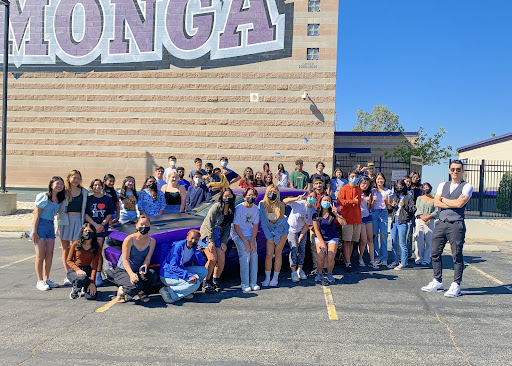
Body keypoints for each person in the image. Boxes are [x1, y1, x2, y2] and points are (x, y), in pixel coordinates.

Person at [422, 160, 473, 298]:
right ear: (449, 171)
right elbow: (436, 202)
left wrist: (444, 200)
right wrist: (450, 202)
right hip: (441, 223)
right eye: (452, 169)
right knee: (434, 252)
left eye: (458, 169)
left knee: (457, 255)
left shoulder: (467, 186)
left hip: (456, 223)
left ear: (463, 171)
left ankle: (456, 284)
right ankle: (437, 281)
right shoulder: (442, 184)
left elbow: (459, 204)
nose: (455, 172)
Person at [31, 176, 65, 291]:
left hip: (50, 226)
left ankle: (46, 278)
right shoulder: (44, 196)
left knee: (49, 254)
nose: (59, 186)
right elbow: (36, 214)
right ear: (51, 184)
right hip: (40, 226)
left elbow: (55, 213)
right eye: (57, 183)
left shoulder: (59, 199)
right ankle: (39, 280)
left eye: (61, 184)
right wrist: (34, 231)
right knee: (40, 255)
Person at [200, 188, 236, 292]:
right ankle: (205, 281)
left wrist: (224, 242)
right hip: (208, 234)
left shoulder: (231, 210)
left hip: (219, 236)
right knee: (212, 258)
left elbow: (228, 227)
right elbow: (208, 224)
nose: (227, 198)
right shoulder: (216, 207)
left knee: (221, 260)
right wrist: (210, 241)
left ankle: (215, 280)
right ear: (221, 197)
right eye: (225, 196)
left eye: (229, 197)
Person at [115, 215, 157, 303]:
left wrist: (145, 265)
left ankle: (140, 290)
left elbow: (148, 258)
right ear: (136, 226)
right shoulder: (129, 239)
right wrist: (131, 274)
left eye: (146, 224)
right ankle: (122, 290)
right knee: (134, 286)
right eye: (141, 224)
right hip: (124, 270)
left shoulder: (152, 241)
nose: (144, 226)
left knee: (152, 275)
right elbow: (125, 259)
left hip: (138, 269)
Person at [57, 170, 88, 286]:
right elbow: (54, 200)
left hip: (78, 221)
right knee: (65, 249)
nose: (76, 180)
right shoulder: (63, 191)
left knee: (76, 248)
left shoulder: (84, 192)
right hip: (65, 221)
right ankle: (67, 274)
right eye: (74, 178)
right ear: (69, 178)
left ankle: (76, 270)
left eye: (78, 178)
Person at [159, 229, 208, 303]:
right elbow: (173, 267)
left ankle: (186, 292)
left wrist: (198, 252)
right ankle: (167, 290)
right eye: (192, 238)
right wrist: (189, 275)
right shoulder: (178, 247)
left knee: (204, 271)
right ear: (187, 237)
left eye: (196, 239)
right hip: (169, 274)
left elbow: (202, 264)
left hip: (180, 271)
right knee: (196, 283)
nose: (193, 241)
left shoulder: (194, 247)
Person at [84, 179, 115, 285]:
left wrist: (101, 224)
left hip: (102, 228)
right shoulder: (88, 199)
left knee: (97, 250)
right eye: (95, 185)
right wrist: (94, 224)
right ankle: (89, 273)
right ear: (92, 187)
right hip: (90, 227)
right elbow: (85, 213)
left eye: (99, 185)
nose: (97, 187)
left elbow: (110, 213)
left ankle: (98, 274)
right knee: (89, 251)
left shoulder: (107, 199)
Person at [259, 185, 289, 287]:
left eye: (275, 192)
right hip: (270, 232)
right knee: (269, 254)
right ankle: (267, 277)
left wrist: (277, 236)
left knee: (278, 253)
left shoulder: (281, 205)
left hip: (282, 230)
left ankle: (275, 278)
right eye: (271, 191)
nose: (273, 194)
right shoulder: (262, 204)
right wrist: (270, 238)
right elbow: (264, 222)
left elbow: (280, 222)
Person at [283, 191, 317, 282]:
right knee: (294, 249)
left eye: (314, 197)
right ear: (307, 197)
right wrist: (296, 198)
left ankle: (300, 269)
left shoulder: (312, 210)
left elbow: (307, 225)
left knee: (302, 249)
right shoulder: (300, 203)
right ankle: (293, 271)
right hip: (291, 229)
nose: (312, 198)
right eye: (310, 196)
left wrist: (301, 237)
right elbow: (285, 201)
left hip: (302, 230)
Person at [312, 195, 346, 283]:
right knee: (321, 256)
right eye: (324, 200)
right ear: (320, 201)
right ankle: (319, 273)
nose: (326, 202)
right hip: (320, 238)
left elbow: (344, 223)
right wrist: (322, 243)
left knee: (330, 256)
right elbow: (316, 229)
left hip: (332, 237)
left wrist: (336, 214)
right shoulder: (316, 213)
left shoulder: (332, 213)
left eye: (328, 201)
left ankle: (329, 274)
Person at [232, 187, 260, 292]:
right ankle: (245, 283)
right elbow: (236, 227)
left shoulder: (256, 209)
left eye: (253, 195)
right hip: (238, 235)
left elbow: (255, 226)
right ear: (244, 197)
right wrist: (245, 242)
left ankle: (253, 282)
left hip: (250, 234)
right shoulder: (239, 208)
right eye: (249, 195)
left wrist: (252, 242)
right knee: (245, 255)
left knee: (254, 254)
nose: (251, 197)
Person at [337, 169, 362, 272]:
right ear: (348, 177)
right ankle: (347, 262)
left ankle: (349, 260)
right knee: (347, 241)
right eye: (352, 176)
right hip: (347, 219)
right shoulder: (344, 189)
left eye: (356, 176)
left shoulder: (359, 190)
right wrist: (352, 201)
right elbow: (340, 201)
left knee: (352, 242)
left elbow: (358, 202)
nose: (354, 178)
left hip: (357, 219)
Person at [66, 223, 100, 300]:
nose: (87, 232)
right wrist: (77, 269)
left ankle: (84, 288)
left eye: (90, 231)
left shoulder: (96, 246)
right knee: (82, 277)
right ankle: (75, 290)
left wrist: (92, 283)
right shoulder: (76, 244)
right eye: (85, 230)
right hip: (75, 271)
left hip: (87, 270)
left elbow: (95, 265)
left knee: (91, 296)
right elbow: (69, 260)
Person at [389, 179, 416, 270]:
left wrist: (404, 205)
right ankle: (395, 261)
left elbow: (413, 209)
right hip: (394, 220)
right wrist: (392, 206)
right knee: (393, 241)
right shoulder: (395, 197)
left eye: (401, 186)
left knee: (402, 242)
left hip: (403, 221)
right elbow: (389, 210)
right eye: (397, 186)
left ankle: (404, 262)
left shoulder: (408, 197)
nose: (399, 188)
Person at [414, 182, 438, 265]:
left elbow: (436, 211)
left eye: (427, 187)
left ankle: (427, 258)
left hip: (430, 221)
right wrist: (423, 217)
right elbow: (417, 208)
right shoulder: (419, 198)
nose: (426, 189)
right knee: (419, 240)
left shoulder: (434, 199)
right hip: (420, 220)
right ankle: (418, 258)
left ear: (430, 188)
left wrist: (428, 217)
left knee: (429, 240)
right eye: (424, 187)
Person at [371, 173, 392, 266]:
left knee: (383, 236)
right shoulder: (372, 191)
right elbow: (370, 206)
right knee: (374, 235)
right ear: (375, 180)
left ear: (384, 180)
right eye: (378, 179)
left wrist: (385, 201)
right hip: (374, 212)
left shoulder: (388, 191)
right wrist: (374, 200)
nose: (380, 181)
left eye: (381, 179)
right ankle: (376, 257)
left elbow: (388, 206)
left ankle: (384, 257)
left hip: (383, 213)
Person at [358, 177, 378, 268]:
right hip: (360, 217)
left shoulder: (368, 193)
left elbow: (369, 207)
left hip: (367, 216)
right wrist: (359, 199)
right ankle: (360, 258)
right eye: (363, 183)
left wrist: (370, 201)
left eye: (367, 184)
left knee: (370, 239)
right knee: (363, 240)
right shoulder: (356, 192)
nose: (365, 185)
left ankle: (372, 260)